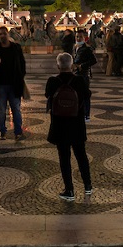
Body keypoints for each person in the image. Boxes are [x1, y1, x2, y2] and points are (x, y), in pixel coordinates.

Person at [45, 52, 93, 201]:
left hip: (60, 125)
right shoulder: (79, 80)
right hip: (76, 124)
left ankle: (69, 190)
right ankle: (88, 186)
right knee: (81, 155)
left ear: (58, 65)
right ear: (71, 65)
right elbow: (87, 94)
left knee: (64, 157)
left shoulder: (52, 81)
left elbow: (48, 95)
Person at [0, 25, 28, 140]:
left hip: (14, 83)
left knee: (16, 108)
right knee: (1, 110)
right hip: (0, 84)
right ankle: (2, 131)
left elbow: (22, 63)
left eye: (4, 33)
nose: (2, 36)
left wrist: (21, 76)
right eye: (0, 34)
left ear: (8, 34)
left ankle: (18, 132)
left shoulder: (16, 48)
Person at [72, 31, 97, 123]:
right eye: (77, 36)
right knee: (77, 95)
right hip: (75, 74)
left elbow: (94, 61)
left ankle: (86, 115)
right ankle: (79, 113)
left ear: (84, 38)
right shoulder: (75, 47)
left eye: (80, 37)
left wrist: (82, 66)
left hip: (83, 75)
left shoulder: (87, 49)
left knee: (85, 95)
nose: (78, 38)